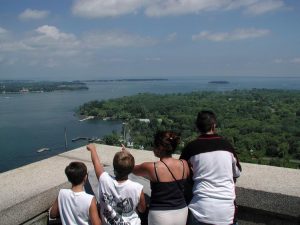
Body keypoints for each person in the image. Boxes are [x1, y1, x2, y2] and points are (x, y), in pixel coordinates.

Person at [180, 110, 242, 225]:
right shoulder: (227, 146)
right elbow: (237, 173)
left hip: (200, 209)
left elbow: (180, 171)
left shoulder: (191, 148)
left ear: (198, 127)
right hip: (226, 212)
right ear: (214, 126)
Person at [130, 131, 190, 225]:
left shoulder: (152, 168)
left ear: (160, 148)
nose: (152, 148)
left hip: (160, 215)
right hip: (181, 212)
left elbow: (131, 169)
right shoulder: (184, 164)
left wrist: (127, 155)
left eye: (154, 145)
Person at [86, 143, 146, 225]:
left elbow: (96, 163)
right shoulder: (137, 188)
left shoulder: (104, 179)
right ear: (131, 169)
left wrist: (93, 149)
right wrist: (128, 155)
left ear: (114, 167)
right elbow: (142, 209)